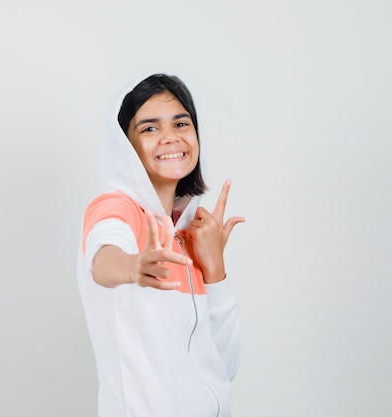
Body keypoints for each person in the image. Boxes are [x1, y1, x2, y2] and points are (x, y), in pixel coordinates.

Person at [76, 73, 244, 417]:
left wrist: (214, 270)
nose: (170, 137)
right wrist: (133, 267)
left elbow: (223, 369)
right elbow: (103, 259)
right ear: (126, 145)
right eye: (149, 128)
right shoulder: (118, 209)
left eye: (181, 123)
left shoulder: (188, 236)